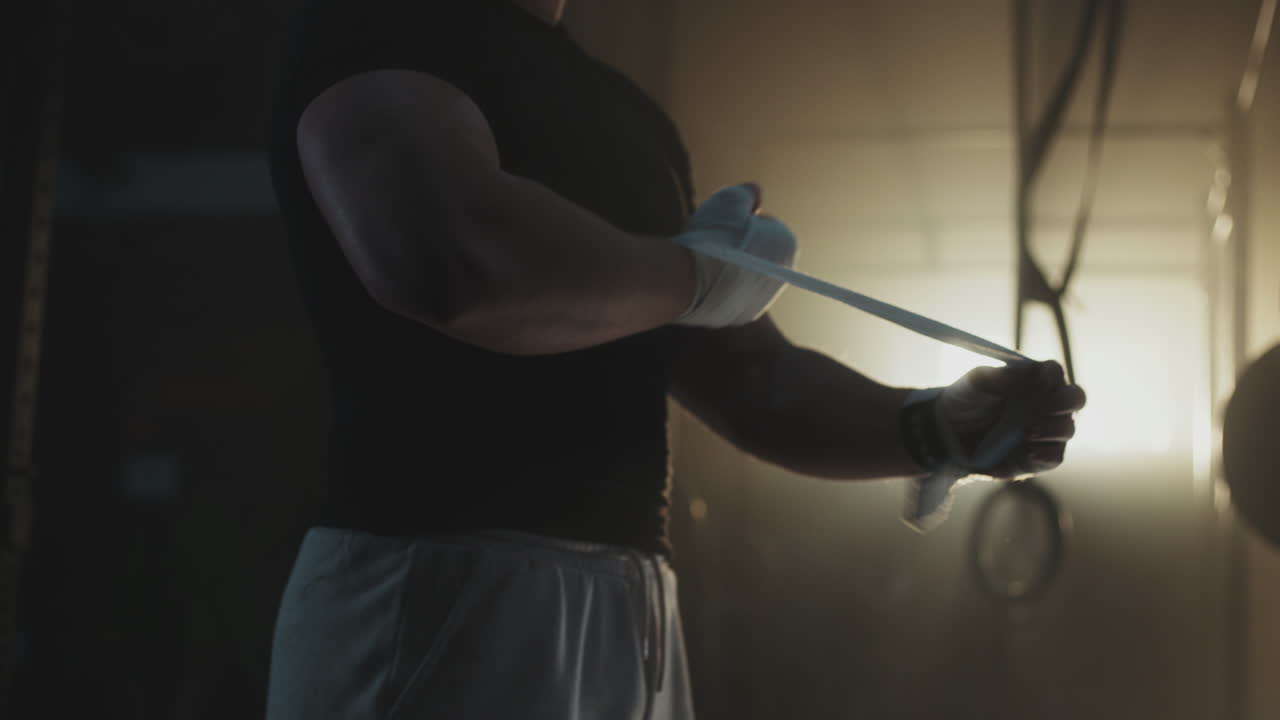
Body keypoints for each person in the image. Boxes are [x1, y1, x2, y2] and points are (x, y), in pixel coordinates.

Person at [263, 0, 1088, 718]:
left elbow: (744, 377)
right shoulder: (382, 30)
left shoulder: (625, 113)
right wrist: (694, 278)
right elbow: (453, 261)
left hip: (631, 605)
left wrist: (934, 427)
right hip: (436, 582)